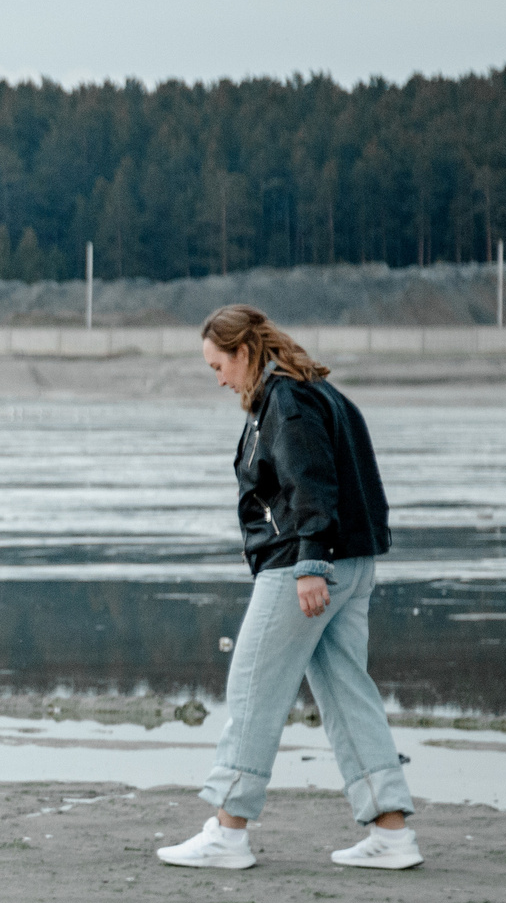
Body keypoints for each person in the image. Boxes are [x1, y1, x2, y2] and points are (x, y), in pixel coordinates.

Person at [158, 305, 420, 872]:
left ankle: (228, 831)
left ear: (244, 352)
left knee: (253, 688)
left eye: (218, 366)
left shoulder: (288, 400)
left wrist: (310, 564)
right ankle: (391, 832)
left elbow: (311, 484)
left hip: (305, 566)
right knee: (347, 693)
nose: (219, 380)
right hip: (351, 561)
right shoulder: (316, 390)